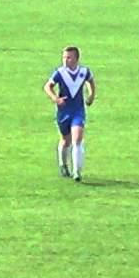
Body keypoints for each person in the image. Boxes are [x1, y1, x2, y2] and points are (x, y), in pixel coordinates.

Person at [43, 46, 96, 181]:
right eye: (64, 57)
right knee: (65, 140)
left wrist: (91, 95)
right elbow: (48, 86)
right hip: (63, 112)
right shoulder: (60, 73)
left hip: (78, 111)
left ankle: (77, 172)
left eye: (69, 57)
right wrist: (55, 98)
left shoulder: (84, 71)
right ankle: (63, 164)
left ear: (76, 59)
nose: (65, 60)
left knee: (77, 139)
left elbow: (90, 81)